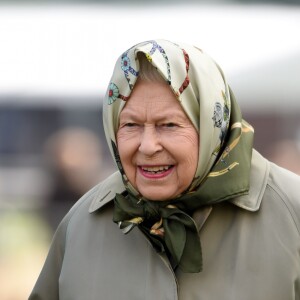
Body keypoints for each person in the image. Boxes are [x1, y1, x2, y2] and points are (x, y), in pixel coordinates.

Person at [29, 39, 300, 300]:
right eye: (131, 125)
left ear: (211, 128)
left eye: (168, 125)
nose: (147, 146)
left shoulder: (291, 213)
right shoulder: (83, 223)